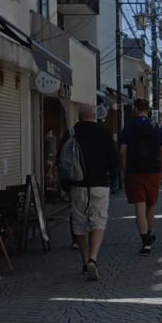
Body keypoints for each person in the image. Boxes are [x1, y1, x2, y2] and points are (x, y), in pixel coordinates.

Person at [61, 102, 117, 281]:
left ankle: (85, 262)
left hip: (77, 185)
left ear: (78, 117)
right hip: (99, 184)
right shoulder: (104, 133)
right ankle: (94, 257)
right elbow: (114, 162)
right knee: (98, 222)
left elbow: (61, 163)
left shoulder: (71, 133)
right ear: (94, 116)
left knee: (79, 225)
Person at [118, 98, 162, 255]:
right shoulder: (157, 127)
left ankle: (145, 242)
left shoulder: (128, 127)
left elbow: (122, 152)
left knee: (139, 207)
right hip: (153, 172)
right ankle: (148, 235)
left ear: (135, 110)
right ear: (148, 110)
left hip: (134, 172)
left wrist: (126, 171)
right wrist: (161, 172)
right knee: (151, 206)